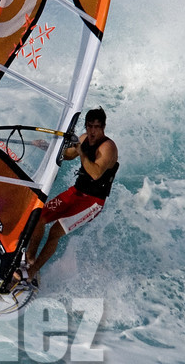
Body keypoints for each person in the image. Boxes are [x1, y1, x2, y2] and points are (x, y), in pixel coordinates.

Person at [24, 107, 117, 285]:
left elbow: (95, 173)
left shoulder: (108, 147)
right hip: (75, 192)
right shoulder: (84, 138)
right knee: (39, 217)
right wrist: (47, 147)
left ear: (103, 127)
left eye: (96, 127)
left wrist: (81, 151)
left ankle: (32, 272)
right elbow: (67, 155)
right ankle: (29, 259)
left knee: (55, 232)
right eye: (89, 126)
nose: (92, 131)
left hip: (92, 202)